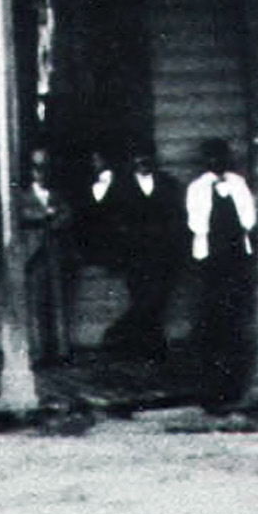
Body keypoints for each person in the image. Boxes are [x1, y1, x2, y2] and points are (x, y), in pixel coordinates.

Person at [185, 137, 258, 412]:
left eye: (221, 158)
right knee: (212, 319)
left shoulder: (239, 185)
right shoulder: (197, 188)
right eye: (211, 159)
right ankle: (212, 388)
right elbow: (196, 222)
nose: (216, 164)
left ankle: (235, 384)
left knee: (236, 319)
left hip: (237, 257)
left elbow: (249, 219)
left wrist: (232, 200)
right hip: (211, 259)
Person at [99, 142, 187, 363]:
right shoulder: (120, 186)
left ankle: (121, 334)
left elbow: (178, 218)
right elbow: (108, 218)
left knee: (157, 299)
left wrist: (173, 245)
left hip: (163, 253)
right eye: (138, 159)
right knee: (142, 296)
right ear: (132, 161)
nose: (143, 163)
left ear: (154, 160)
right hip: (134, 254)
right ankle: (149, 347)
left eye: (147, 159)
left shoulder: (168, 184)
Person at [15, 145, 80, 364]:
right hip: (34, 254)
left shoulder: (57, 194)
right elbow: (22, 217)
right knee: (36, 304)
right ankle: (38, 351)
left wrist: (51, 218)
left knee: (59, 301)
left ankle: (61, 350)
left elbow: (67, 216)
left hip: (56, 252)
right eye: (36, 167)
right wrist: (46, 215)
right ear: (30, 170)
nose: (40, 172)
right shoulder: (22, 196)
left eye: (45, 167)